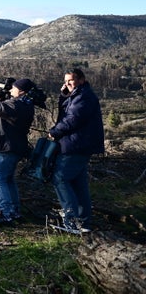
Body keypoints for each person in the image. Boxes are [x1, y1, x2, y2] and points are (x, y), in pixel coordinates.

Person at [48, 68, 105, 234]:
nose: (67, 84)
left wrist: (55, 131)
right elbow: (67, 113)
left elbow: (72, 119)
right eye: (65, 81)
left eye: (70, 80)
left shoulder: (84, 96)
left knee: (59, 178)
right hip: (79, 145)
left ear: (81, 79)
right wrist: (64, 95)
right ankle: (84, 223)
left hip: (76, 145)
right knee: (78, 184)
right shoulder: (79, 95)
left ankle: (71, 222)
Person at [0, 78, 36, 224]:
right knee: (8, 180)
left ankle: (5, 212)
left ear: (22, 91)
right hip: (14, 147)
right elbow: (4, 107)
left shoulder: (16, 105)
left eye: (14, 88)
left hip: (5, 147)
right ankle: (14, 211)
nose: (11, 90)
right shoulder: (25, 104)